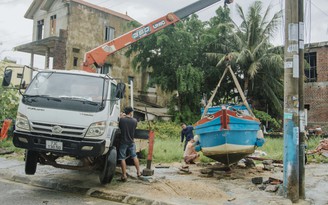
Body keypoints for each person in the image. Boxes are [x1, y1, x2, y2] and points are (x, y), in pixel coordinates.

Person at [118, 106, 141, 182]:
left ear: (125, 112)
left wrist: (121, 116)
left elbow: (119, 125)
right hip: (131, 142)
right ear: (130, 112)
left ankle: (124, 175)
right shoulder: (134, 121)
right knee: (134, 156)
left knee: (122, 158)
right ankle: (138, 172)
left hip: (123, 142)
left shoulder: (121, 120)